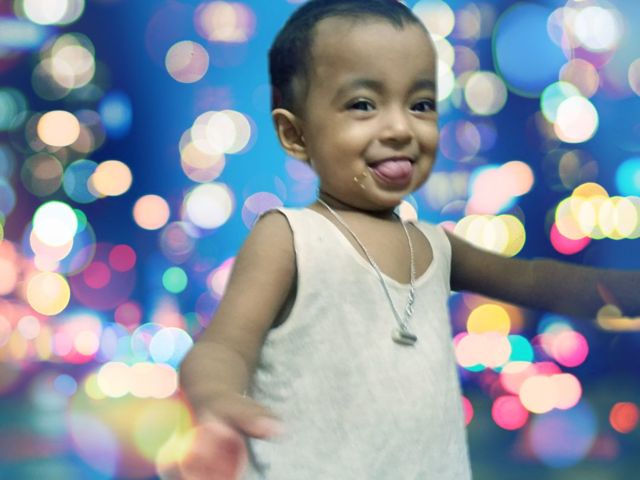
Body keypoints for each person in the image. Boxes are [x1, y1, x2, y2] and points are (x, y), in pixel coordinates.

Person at [177, 0, 640, 478]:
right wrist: (217, 399)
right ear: (295, 135)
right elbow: (223, 346)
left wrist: (625, 290)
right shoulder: (290, 238)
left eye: (420, 104)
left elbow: (534, 280)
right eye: (363, 105)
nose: (400, 128)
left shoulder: (434, 246)